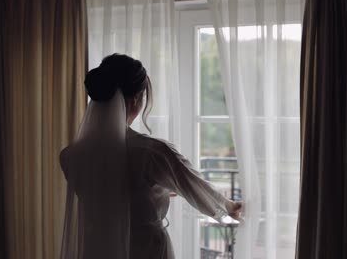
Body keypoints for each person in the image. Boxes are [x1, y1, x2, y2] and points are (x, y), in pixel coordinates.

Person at [59, 53, 242, 259]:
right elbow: (196, 188)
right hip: (145, 250)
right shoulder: (151, 152)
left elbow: (111, 192)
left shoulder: (70, 156)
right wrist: (230, 207)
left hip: (97, 249)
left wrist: (157, 191)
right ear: (136, 99)